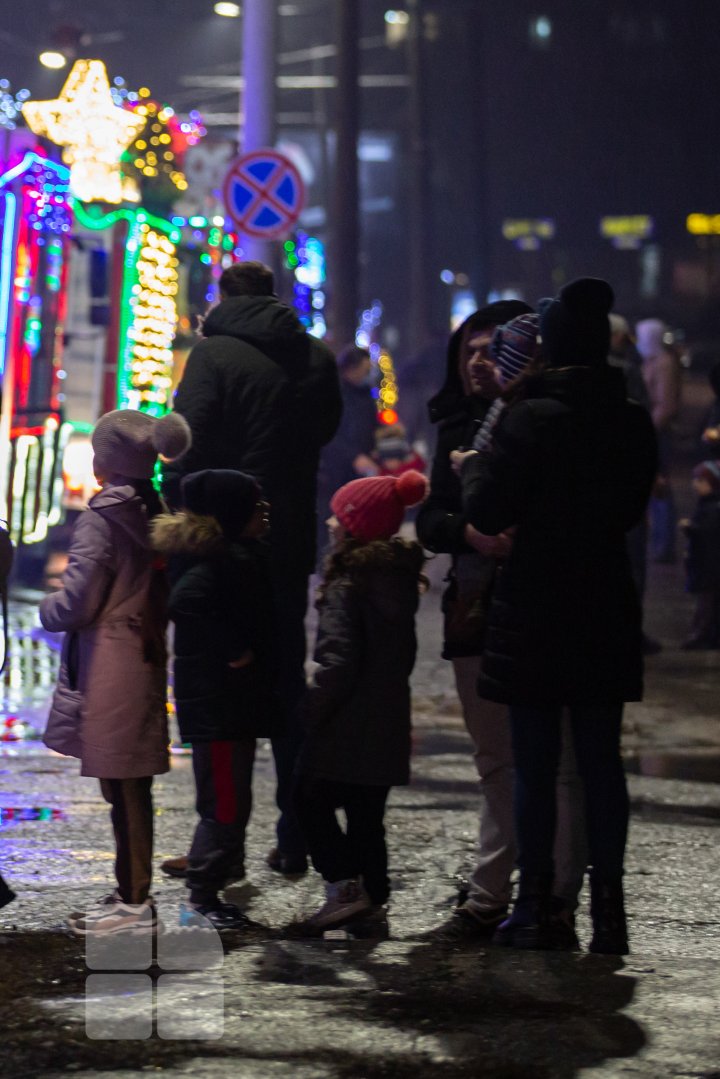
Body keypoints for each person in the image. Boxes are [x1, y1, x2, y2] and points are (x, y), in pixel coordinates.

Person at [460, 278, 657, 955]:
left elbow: (486, 509)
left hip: (537, 602)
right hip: (604, 599)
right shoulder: (628, 415)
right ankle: (609, 913)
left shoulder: (528, 417)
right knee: (603, 763)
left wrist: (476, 466)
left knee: (536, 763)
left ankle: (535, 905)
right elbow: (632, 509)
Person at [164, 260, 342, 877]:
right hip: (287, 537)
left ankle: (221, 843)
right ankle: (298, 834)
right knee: (285, 682)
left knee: (222, 693)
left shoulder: (212, 358)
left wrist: (182, 509)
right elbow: (327, 433)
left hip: (224, 538)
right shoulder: (315, 359)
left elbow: (185, 443)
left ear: (222, 299)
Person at [40, 409, 192, 935]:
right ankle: (130, 891)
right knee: (127, 782)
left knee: (125, 785)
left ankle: (134, 903)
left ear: (107, 460)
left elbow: (78, 600)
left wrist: (47, 609)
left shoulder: (103, 519)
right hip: (138, 655)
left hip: (113, 660)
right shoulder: (153, 510)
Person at [295, 470, 428, 933]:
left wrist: (310, 709)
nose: (331, 524)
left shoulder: (347, 583)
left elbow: (337, 659)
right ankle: (373, 893)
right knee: (367, 813)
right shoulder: (396, 579)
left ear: (356, 525)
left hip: (346, 723)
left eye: (338, 517)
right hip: (386, 719)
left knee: (306, 798)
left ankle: (343, 888)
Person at [152, 469, 282, 929]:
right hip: (218, 704)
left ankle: (217, 874)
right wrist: (236, 652)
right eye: (256, 507)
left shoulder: (232, 553)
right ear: (232, 514)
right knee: (225, 802)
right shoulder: (217, 560)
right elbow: (185, 605)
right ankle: (203, 894)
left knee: (230, 797)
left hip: (229, 704)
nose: (264, 514)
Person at [315, 344, 379, 563]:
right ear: (350, 368)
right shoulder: (333, 394)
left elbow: (370, 427)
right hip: (333, 475)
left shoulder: (364, 394)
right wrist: (354, 457)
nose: (367, 372)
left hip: (358, 474)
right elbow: (329, 435)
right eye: (364, 368)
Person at [636, 318, 682, 564]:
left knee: (661, 486)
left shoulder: (663, 363)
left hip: (658, 431)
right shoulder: (655, 360)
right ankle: (659, 544)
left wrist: (649, 430)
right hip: (655, 429)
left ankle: (664, 545)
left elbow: (666, 404)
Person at [679, 461, 720, 650]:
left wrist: (690, 528)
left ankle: (701, 634)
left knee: (707, 602)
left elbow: (706, 532)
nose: (696, 484)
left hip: (710, 565)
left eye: (701, 480)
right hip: (707, 564)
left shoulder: (713, 508)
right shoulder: (707, 505)